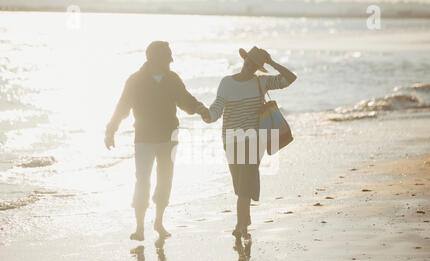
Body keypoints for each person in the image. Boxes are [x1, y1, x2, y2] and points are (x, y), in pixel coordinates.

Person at [105, 41, 208, 241]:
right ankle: (139, 227)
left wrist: (201, 109)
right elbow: (122, 107)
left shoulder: (172, 79)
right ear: (153, 59)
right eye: (167, 58)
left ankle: (159, 222)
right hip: (143, 138)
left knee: (164, 179)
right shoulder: (135, 80)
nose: (170, 62)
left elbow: (185, 100)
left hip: (168, 137)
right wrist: (111, 130)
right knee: (142, 179)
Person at [201, 46, 297, 239]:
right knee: (239, 183)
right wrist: (207, 115)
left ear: (257, 67)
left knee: (244, 182)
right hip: (230, 140)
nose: (248, 67)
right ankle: (246, 217)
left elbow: (290, 78)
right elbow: (217, 108)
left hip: (254, 140)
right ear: (243, 61)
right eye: (247, 62)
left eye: (253, 65)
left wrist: (271, 62)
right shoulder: (226, 83)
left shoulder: (261, 83)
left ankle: (240, 225)